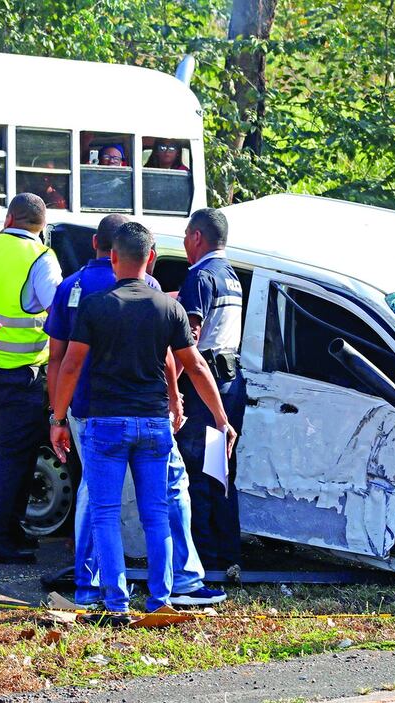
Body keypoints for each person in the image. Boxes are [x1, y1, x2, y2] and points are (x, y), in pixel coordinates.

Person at [49, 222, 236, 619]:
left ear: (113, 257)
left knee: (104, 512)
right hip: (153, 424)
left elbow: (70, 366)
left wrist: (58, 417)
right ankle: (161, 599)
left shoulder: (95, 305)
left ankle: (115, 602)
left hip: (105, 423)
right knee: (156, 514)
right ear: (150, 258)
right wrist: (220, 418)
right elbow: (195, 365)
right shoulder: (169, 307)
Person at [0, 193, 63, 563]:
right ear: (41, 225)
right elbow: (58, 311)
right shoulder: (41, 258)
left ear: (9, 217)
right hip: (20, 376)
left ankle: (5, 531)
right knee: (14, 459)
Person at [176, 207, 247, 572]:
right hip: (230, 384)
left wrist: (170, 386)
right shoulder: (230, 275)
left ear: (197, 237)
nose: (186, 244)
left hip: (206, 389)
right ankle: (226, 554)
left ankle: (202, 558)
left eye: (187, 236)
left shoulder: (200, 276)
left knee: (197, 473)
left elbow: (189, 340)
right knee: (219, 471)